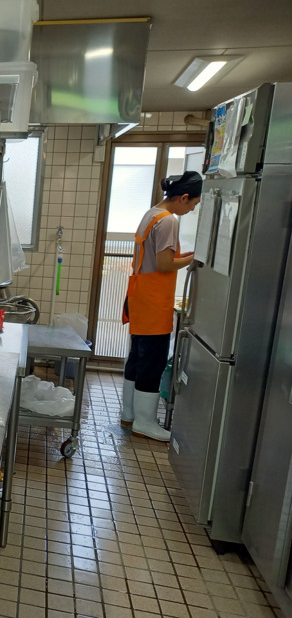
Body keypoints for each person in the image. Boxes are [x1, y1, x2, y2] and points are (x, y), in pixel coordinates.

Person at [120, 171, 202, 441]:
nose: (191, 210)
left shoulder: (152, 214)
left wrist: (183, 256)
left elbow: (156, 259)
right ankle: (145, 423)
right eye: (193, 204)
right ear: (184, 197)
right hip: (154, 301)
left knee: (137, 358)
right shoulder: (168, 221)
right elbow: (165, 264)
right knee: (152, 362)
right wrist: (193, 259)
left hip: (140, 296)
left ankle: (129, 414)